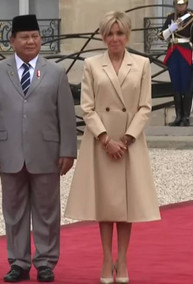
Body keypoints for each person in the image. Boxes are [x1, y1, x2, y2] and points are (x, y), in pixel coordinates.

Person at [64, 11, 162, 284]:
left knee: (126, 205)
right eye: (110, 33)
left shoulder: (142, 64)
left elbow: (145, 107)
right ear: (102, 36)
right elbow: (87, 107)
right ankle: (107, 258)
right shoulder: (92, 64)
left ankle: (124, 258)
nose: (115, 38)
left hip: (130, 141)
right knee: (106, 203)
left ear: (127, 35)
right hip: (101, 142)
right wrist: (106, 139)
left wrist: (127, 139)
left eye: (120, 33)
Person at [0, 14, 77, 283]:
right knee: (13, 212)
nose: (30, 41)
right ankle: (18, 262)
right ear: (12, 40)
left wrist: (68, 150)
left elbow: (66, 116)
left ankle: (45, 261)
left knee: (47, 211)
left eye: (35, 36)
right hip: (8, 152)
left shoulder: (56, 72)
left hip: (46, 152)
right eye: (24, 37)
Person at [158, 0, 193, 126]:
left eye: (182, 4)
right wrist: (170, 29)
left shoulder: (192, 19)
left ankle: (186, 117)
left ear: (186, 5)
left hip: (186, 52)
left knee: (186, 85)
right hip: (173, 53)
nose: (180, 7)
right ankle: (178, 116)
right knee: (176, 85)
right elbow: (161, 36)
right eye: (178, 4)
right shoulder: (170, 18)